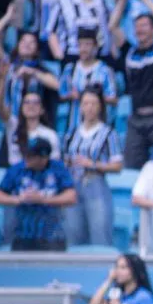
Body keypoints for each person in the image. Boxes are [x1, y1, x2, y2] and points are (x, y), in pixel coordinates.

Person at [110, 0, 153, 169]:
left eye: (145, 25)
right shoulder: (129, 52)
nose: (140, 29)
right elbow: (113, 26)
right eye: (137, 26)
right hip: (135, 119)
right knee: (131, 167)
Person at [63, 89, 124, 247]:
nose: (89, 107)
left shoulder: (108, 133)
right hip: (73, 186)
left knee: (100, 234)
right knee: (72, 233)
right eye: (85, 103)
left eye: (93, 103)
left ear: (100, 107)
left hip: (96, 184)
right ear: (80, 107)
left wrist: (93, 164)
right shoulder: (72, 132)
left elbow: (118, 165)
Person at [0, 138, 77, 252]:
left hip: (52, 237)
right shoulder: (17, 169)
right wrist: (19, 199)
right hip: (22, 236)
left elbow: (71, 197)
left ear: (44, 157)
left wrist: (43, 199)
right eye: (26, 153)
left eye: (31, 155)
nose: (26, 157)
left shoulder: (58, 169)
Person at [58, 27, 120, 134]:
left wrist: (94, 98)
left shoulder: (105, 70)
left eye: (87, 44)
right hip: (74, 126)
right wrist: (71, 95)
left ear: (95, 47)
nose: (83, 49)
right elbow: (62, 94)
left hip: (99, 127)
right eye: (80, 45)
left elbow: (114, 99)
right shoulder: (70, 69)